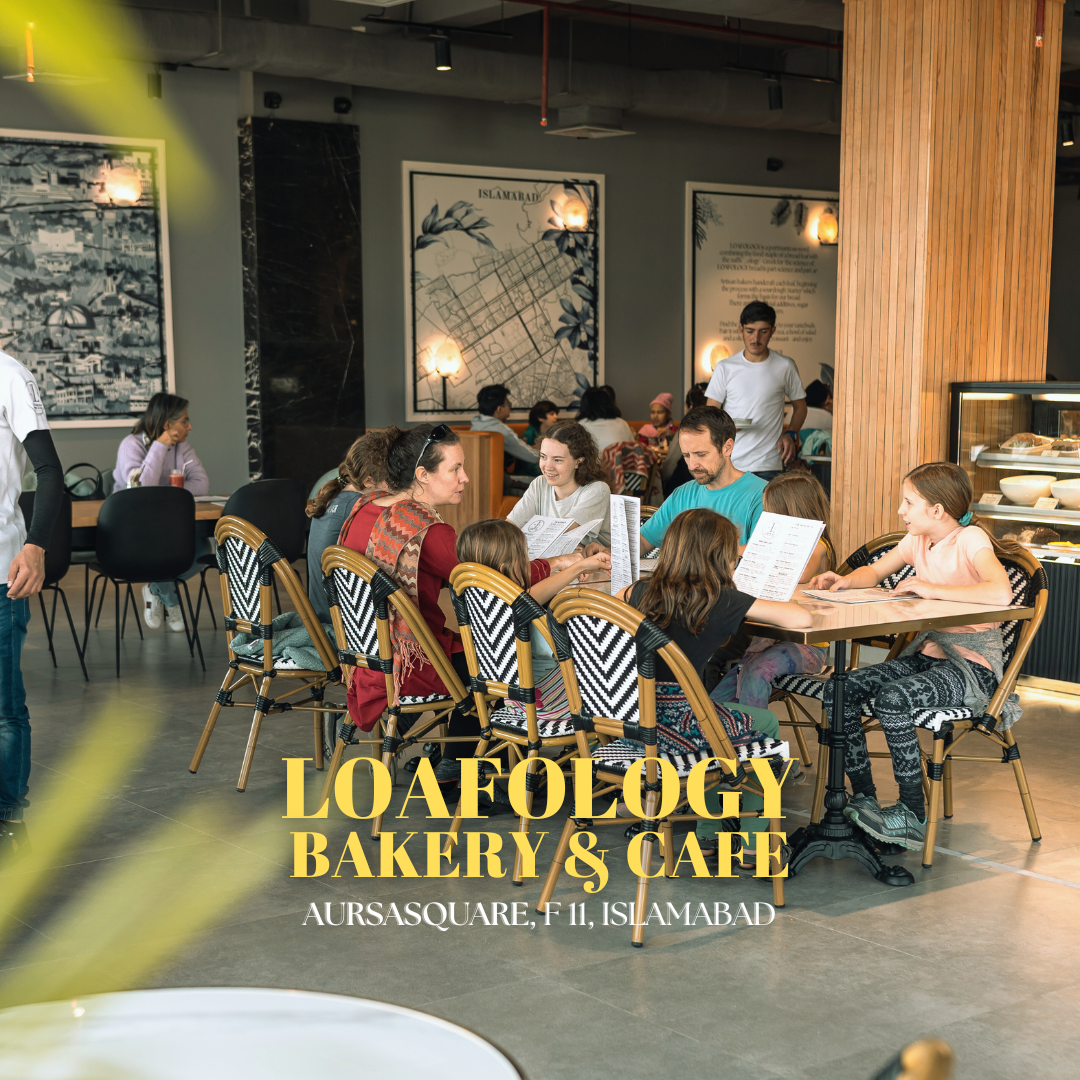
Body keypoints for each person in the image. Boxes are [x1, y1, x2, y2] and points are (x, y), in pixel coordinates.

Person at [338, 425, 580, 782]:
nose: (465, 478)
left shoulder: (364, 508)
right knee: (494, 657)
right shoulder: (427, 532)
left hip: (366, 653)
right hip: (411, 663)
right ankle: (457, 765)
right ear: (422, 474)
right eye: (455, 469)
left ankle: (430, 739)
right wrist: (559, 563)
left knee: (469, 646)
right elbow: (495, 580)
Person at [807, 462, 1019, 851]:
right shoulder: (918, 541)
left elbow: (1000, 593)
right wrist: (843, 581)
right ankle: (865, 798)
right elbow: (873, 573)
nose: (901, 511)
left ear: (937, 511)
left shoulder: (970, 539)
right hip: (928, 654)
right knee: (840, 690)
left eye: (908, 503)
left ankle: (912, 814)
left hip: (971, 669)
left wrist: (930, 588)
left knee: (891, 699)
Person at [618, 508, 810, 858]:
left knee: (709, 715)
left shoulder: (637, 591)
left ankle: (708, 830)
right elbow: (801, 617)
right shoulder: (722, 600)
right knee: (758, 722)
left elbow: (612, 611)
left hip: (630, 723)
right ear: (721, 557)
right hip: (679, 728)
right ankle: (754, 843)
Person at [455, 519, 611, 726]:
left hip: (513, 702)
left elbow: (522, 597)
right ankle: (591, 745)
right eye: (525, 558)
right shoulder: (521, 614)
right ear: (505, 569)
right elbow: (524, 600)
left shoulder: (475, 599)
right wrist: (579, 567)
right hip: (553, 705)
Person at [0, 348, 62, 861]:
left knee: (3, 707)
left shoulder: (10, 375)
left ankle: (9, 819)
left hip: (1, 572)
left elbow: (49, 471)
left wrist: (35, 544)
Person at [710, 472, 834, 709]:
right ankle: (721, 739)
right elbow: (738, 550)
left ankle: (754, 737)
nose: (765, 518)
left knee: (756, 672)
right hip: (767, 641)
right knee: (715, 702)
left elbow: (802, 574)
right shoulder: (770, 545)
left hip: (808, 645)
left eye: (769, 512)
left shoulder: (817, 546)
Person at [114, 393, 210, 633]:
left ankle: (156, 587)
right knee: (165, 549)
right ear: (168, 424)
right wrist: (161, 444)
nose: (190, 426)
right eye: (184, 421)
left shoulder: (183, 447)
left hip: (172, 522)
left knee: (202, 549)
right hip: (135, 527)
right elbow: (140, 488)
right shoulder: (131, 445)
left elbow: (201, 483)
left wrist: (165, 495)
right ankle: (171, 598)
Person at [638, 406, 766, 555]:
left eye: (701, 454)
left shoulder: (761, 495)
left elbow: (763, 554)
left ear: (727, 447)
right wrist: (609, 555)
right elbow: (642, 541)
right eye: (686, 455)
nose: (692, 465)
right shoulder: (682, 494)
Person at [705, 300, 807, 480]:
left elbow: (801, 406)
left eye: (763, 332)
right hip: (730, 462)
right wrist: (726, 427)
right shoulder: (725, 367)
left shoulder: (785, 366)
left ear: (772, 331)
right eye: (750, 331)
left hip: (769, 463)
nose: (756, 338)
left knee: (765, 509)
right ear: (741, 330)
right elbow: (710, 413)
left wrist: (791, 432)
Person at [306, 432, 388, 623]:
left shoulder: (333, 499)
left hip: (321, 620)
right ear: (368, 482)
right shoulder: (360, 509)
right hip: (347, 629)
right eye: (391, 478)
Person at [507, 420, 612, 547]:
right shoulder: (539, 484)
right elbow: (510, 527)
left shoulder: (597, 489)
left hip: (594, 563)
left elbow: (558, 534)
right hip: (553, 562)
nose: (548, 467)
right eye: (543, 457)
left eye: (557, 460)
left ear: (578, 461)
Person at [470, 384, 540, 477]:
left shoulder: (475, 426)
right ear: (499, 409)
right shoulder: (502, 431)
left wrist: (521, 447)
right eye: (508, 404)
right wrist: (543, 450)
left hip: (477, 480)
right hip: (497, 481)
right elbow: (534, 457)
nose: (510, 407)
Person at [661, 383, 707, 497]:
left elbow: (668, 468)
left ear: (690, 407)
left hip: (683, 492)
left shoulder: (686, 430)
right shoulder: (717, 429)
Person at [575, 386, 635, 454]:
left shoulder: (580, 426)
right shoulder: (622, 424)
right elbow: (632, 452)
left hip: (592, 464)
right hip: (618, 463)